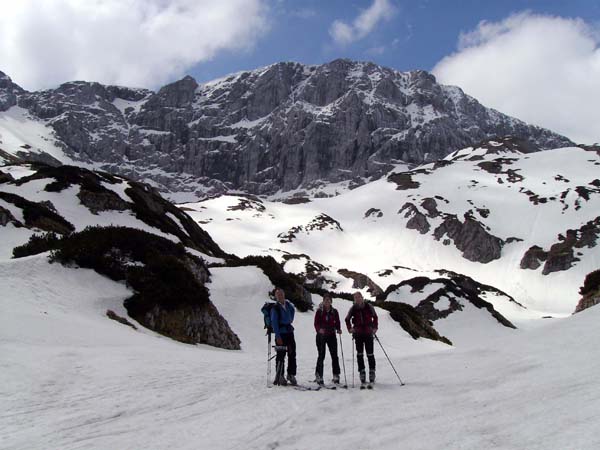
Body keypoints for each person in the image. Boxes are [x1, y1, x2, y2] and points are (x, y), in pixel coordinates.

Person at [345, 291, 378, 386]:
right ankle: (362, 372)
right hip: (358, 334)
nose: (358, 299)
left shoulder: (369, 306)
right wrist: (350, 329)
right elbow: (347, 319)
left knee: (370, 354)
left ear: (362, 297)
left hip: (368, 333)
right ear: (354, 300)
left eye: (359, 297)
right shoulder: (353, 308)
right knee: (360, 354)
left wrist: (375, 328)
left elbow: (375, 317)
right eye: (355, 298)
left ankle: (372, 372)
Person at [271, 287, 297, 386]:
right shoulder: (275, 308)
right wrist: (278, 336)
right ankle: (280, 375)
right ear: (276, 297)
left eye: (281, 294)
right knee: (281, 355)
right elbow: (274, 323)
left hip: (289, 332)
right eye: (278, 295)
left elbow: (293, 312)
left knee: (292, 354)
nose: (280, 296)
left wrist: (289, 320)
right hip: (281, 334)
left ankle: (291, 374)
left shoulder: (289, 305)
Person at [314, 294, 342, 385]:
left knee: (334, 356)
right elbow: (316, 323)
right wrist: (319, 330)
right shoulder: (319, 311)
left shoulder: (334, 312)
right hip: (321, 336)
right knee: (321, 355)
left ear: (331, 301)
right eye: (325, 300)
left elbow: (337, 322)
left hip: (331, 335)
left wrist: (338, 329)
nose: (327, 302)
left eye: (329, 300)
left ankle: (336, 375)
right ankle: (319, 375)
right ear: (323, 301)